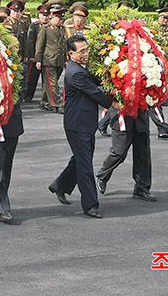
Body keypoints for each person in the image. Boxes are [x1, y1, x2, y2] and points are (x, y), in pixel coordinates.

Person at [49, 36, 117, 219]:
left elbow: (97, 81)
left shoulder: (81, 68)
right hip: (77, 124)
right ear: (71, 54)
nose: (86, 53)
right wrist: (113, 103)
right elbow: (94, 92)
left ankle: (60, 185)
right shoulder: (75, 72)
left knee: (80, 159)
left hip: (84, 123)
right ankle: (90, 205)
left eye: (87, 49)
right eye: (82, 51)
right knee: (85, 164)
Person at [95, 107, 157, 203]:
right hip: (121, 115)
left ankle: (142, 188)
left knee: (143, 154)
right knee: (119, 152)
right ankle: (103, 175)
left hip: (140, 114)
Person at [35, 5, 68, 113]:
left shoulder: (62, 29)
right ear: (52, 17)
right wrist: (38, 59)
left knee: (48, 83)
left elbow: (64, 44)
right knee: (53, 83)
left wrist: (66, 58)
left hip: (59, 60)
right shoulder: (45, 29)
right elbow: (39, 45)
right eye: (58, 18)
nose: (60, 21)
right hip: (48, 60)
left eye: (61, 18)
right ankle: (57, 104)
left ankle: (45, 101)